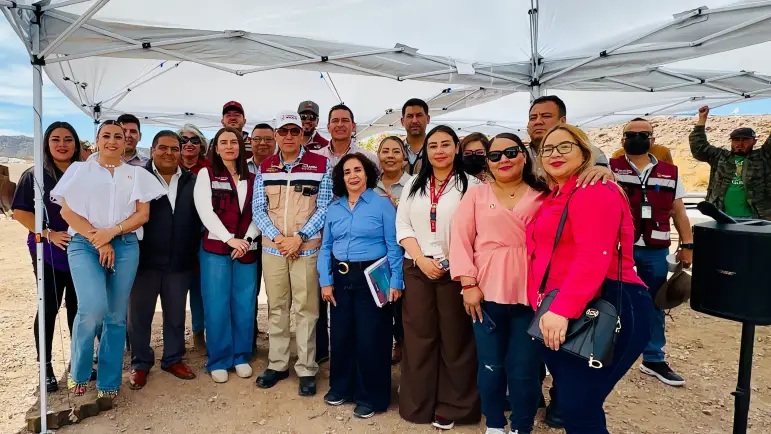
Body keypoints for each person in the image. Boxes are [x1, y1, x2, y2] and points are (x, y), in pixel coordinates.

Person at [529, 124, 652, 433]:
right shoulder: (558, 193)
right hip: (566, 305)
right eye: (547, 149)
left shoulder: (594, 190)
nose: (554, 154)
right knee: (578, 405)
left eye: (564, 146)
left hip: (604, 302)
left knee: (579, 405)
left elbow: (593, 256)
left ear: (584, 152)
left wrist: (561, 310)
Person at [52, 120, 166, 398]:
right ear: (97, 139)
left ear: (127, 141)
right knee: (92, 308)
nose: (113, 141)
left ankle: (108, 380)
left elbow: (142, 215)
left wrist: (111, 233)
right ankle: (78, 372)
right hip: (84, 243)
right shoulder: (80, 170)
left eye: (119, 136)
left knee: (116, 316)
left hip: (125, 245)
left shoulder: (136, 175)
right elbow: (68, 213)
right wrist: (99, 239)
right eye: (107, 136)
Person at [450, 133, 550, 434]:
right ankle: (494, 424)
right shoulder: (476, 195)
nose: (503, 159)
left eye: (510, 152)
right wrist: (468, 285)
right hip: (486, 292)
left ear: (523, 155)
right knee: (491, 367)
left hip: (531, 293)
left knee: (525, 369)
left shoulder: (545, 193)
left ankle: (521, 426)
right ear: (488, 163)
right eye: (494, 156)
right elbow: (460, 240)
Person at [396, 125, 481, 430]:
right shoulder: (413, 184)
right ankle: (418, 403)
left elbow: (476, 230)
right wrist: (420, 258)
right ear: (426, 151)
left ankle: (455, 406)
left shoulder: (471, 185)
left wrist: (452, 262)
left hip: (456, 271)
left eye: (446, 144)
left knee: (455, 338)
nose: (439, 151)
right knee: (418, 337)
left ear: (457, 148)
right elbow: (402, 225)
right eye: (433, 146)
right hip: (417, 268)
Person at [252, 110, 332, 396]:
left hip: (306, 249)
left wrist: (298, 238)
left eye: (294, 131)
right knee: (276, 307)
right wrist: (278, 238)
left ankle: (307, 368)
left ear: (302, 134)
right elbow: (258, 209)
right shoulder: (265, 168)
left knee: (307, 309)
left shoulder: (320, 165)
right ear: (276, 135)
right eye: (283, 131)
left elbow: (323, 207)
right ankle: (278, 364)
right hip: (273, 249)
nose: (288, 136)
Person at [318, 153, 404, 419]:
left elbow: (394, 246)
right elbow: (326, 247)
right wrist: (326, 280)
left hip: (373, 276)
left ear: (367, 173)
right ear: (341, 177)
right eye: (347, 172)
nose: (353, 176)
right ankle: (342, 387)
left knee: (372, 338)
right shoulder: (335, 208)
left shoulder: (382, 205)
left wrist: (396, 281)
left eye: (358, 170)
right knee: (342, 335)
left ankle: (372, 396)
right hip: (341, 278)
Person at [610, 118, 693, 387]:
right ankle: (605, 349)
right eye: (630, 134)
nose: (637, 138)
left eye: (643, 134)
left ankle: (653, 358)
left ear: (653, 139)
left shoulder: (670, 171)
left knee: (656, 301)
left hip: (656, 248)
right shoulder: (610, 169)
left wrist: (687, 244)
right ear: (622, 139)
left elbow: (678, 210)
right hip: (618, 247)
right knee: (612, 299)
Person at [127, 131, 201, 389]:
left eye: (174, 149)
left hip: (180, 261)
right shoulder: (137, 178)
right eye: (163, 148)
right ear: (152, 149)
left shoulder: (193, 180)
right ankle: (140, 363)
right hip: (143, 262)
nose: (169, 153)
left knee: (176, 315)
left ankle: (173, 358)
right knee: (139, 316)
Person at [11, 122, 81, 392]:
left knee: (78, 309)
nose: (62, 144)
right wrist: (48, 233)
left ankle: (80, 360)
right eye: (56, 139)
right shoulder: (35, 175)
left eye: (67, 139)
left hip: (81, 251)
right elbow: (21, 212)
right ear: (47, 144)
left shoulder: (83, 173)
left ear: (75, 144)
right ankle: (47, 367)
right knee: (49, 308)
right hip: (48, 251)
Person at [194, 127, 260, 383]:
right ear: (216, 147)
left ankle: (240, 356)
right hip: (216, 248)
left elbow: (258, 213)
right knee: (216, 304)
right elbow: (205, 211)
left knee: (244, 304)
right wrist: (229, 239)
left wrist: (246, 240)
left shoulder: (253, 178)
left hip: (246, 247)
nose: (230, 146)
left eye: (234, 142)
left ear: (241, 146)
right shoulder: (206, 174)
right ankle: (219, 359)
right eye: (224, 142)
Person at [690, 105, 771, 219]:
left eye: (745, 140)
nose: (740, 143)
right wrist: (702, 119)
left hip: (756, 218)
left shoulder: (763, 157)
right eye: (736, 140)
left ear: (754, 141)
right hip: (722, 216)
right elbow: (699, 148)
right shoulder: (721, 157)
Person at [373, 135, 412, 364]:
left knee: (404, 310)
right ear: (378, 157)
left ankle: (404, 347)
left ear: (404, 158)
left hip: (404, 256)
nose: (390, 156)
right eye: (385, 151)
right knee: (382, 307)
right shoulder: (370, 184)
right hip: (377, 259)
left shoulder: (414, 184)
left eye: (396, 151)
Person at [175, 123, 209, 353]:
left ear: (202, 145)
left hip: (202, 235)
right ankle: (175, 338)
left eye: (194, 140)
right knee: (175, 290)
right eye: (183, 140)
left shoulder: (209, 168)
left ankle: (199, 332)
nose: (189, 144)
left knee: (199, 287)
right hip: (174, 236)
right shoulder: (168, 166)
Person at [527, 95, 608, 166]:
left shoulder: (590, 153)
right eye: (532, 118)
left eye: (546, 116)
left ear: (562, 121)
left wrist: (603, 171)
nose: (537, 122)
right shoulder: (518, 156)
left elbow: (611, 179)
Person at [313, 104, 378, 169]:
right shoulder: (315, 157)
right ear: (328, 127)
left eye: (345, 120)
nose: (340, 124)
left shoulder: (370, 159)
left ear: (353, 126)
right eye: (335, 121)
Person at [402, 98, 430, 175]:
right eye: (410, 116)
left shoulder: (436, 150)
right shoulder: (396, 151)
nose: (414, 120)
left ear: (428, 119)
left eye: (419, 115)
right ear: (402, 121)